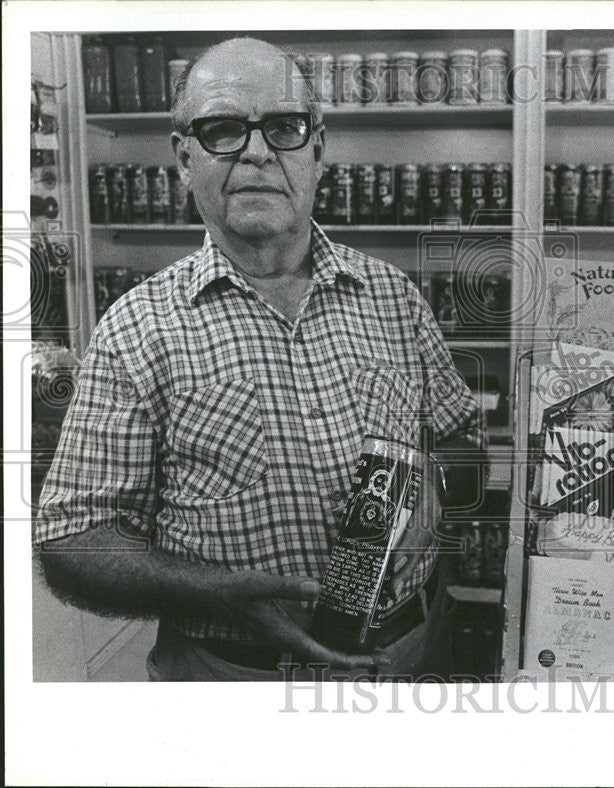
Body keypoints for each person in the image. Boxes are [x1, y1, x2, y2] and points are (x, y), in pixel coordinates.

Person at [34, 37, 486, 681]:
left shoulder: (395, 298)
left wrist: (438, 492)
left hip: (410, 655)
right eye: (222, 129)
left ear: (318, 149)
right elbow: (72, 540)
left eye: (284, 127)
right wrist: (210, 589)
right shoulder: (134, 329)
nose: (256, 151)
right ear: (183, 157)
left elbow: (464, 441)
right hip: (231, 678)